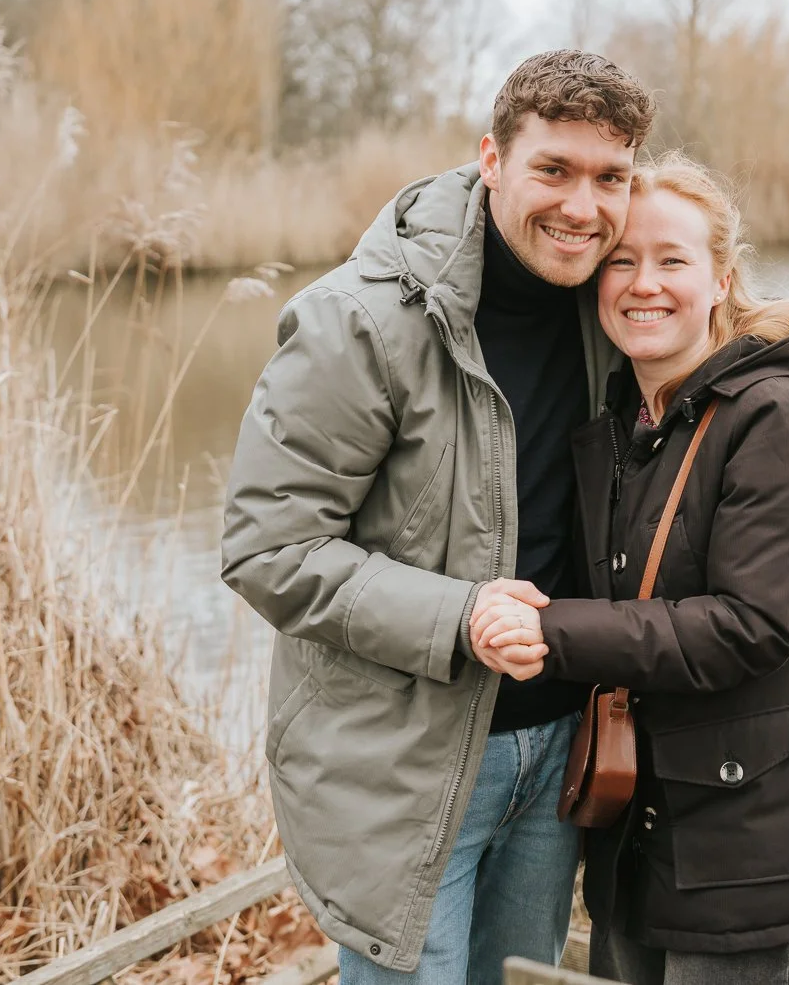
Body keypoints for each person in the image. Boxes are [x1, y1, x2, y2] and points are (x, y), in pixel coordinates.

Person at [221, 50, 656, 984]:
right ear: (491, 159)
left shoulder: (615, 304)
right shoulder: (361, 321)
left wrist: (782, 526)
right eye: (554, 170)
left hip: (559, 757)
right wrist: (459, 616)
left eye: (609, 178)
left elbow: (737, 361)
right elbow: (269, 548)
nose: (582, 207)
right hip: (405, 766)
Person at [472, 154, 789, 985]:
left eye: (672, 260)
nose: (642, 283)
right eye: (622, 260)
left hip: (753, 866)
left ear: (721, 279)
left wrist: (548, 628)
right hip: (639, 852)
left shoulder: (773, 416)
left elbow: (746, 628)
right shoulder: (621, 421)